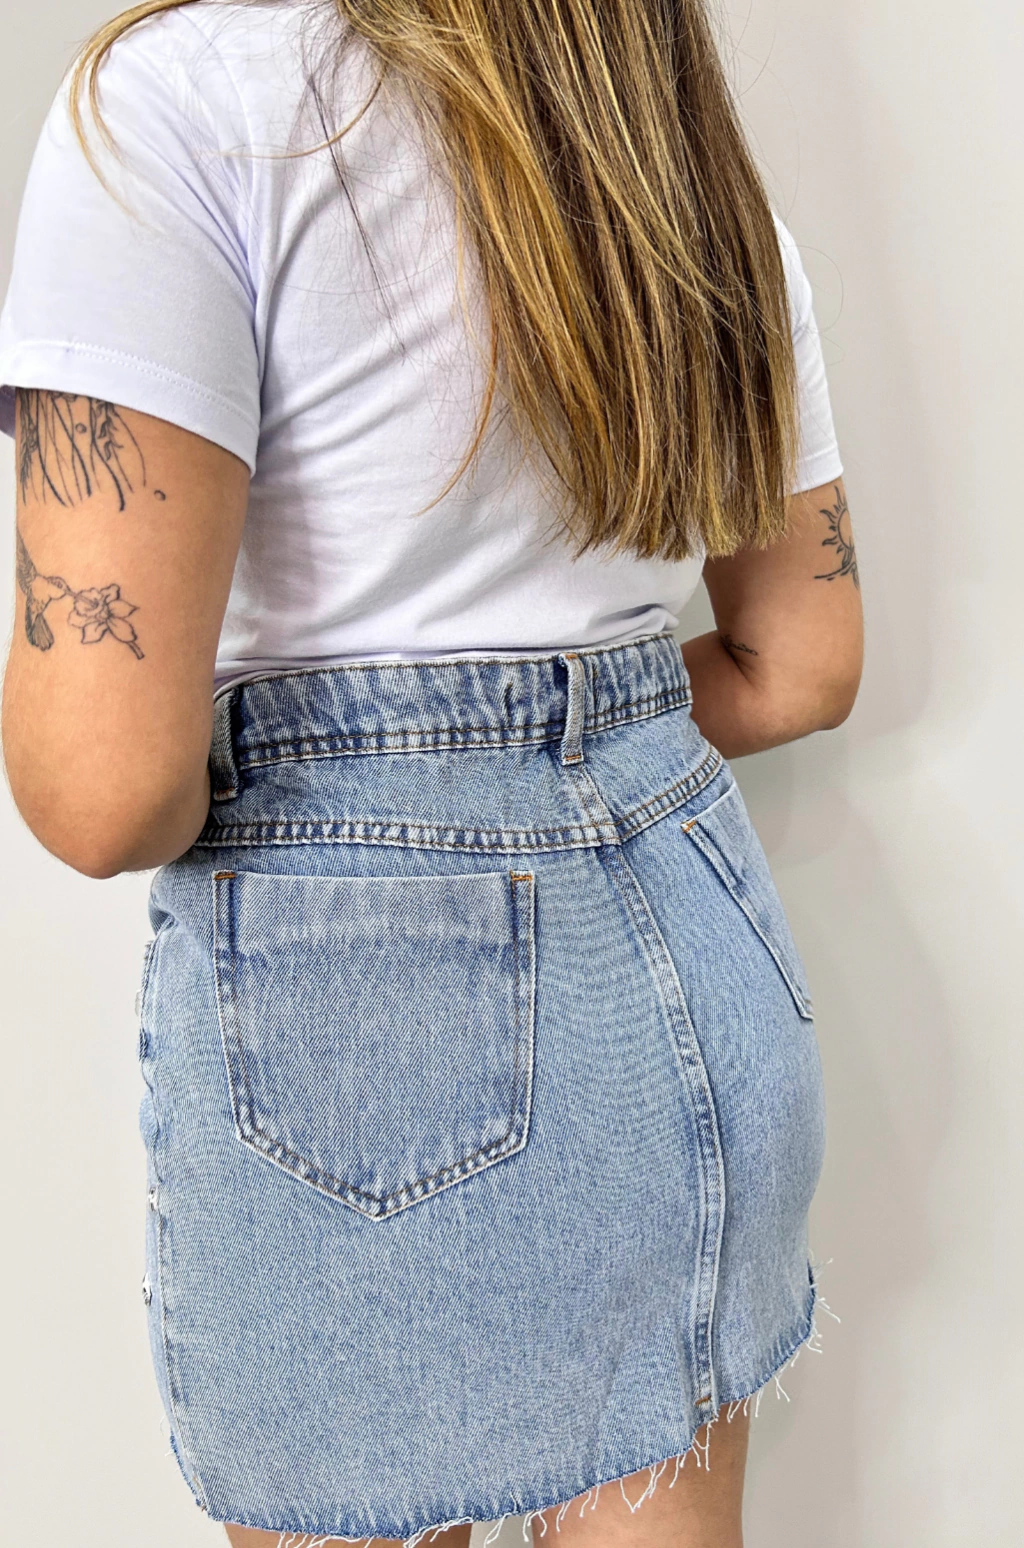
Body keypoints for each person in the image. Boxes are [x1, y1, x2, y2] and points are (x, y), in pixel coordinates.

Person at [0, 2, 862, 1545]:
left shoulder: (182, 108)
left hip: (363, 1018)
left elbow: (103, 784)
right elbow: (800, 661)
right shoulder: (679, 172)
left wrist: (366, 771)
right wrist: (561, 732)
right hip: (698, 949)